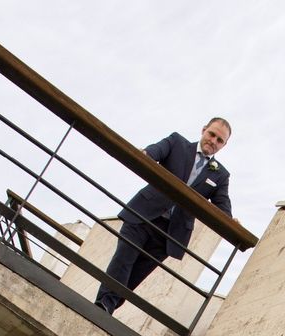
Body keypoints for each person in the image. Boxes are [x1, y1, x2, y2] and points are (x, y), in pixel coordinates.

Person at [94, 117, 233, 314]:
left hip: (169, 232)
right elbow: (154, 151)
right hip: (143, 214)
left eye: (220, 140)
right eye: (212, 134)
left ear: (224, 145)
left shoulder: (221, 175)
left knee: (137, 274)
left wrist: (230, 220)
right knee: (123, 260)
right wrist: (147, 154)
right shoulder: (177, 143)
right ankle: (104, 305)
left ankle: (108, 306)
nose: (213, 141)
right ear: (203, 130)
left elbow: (222, 205)